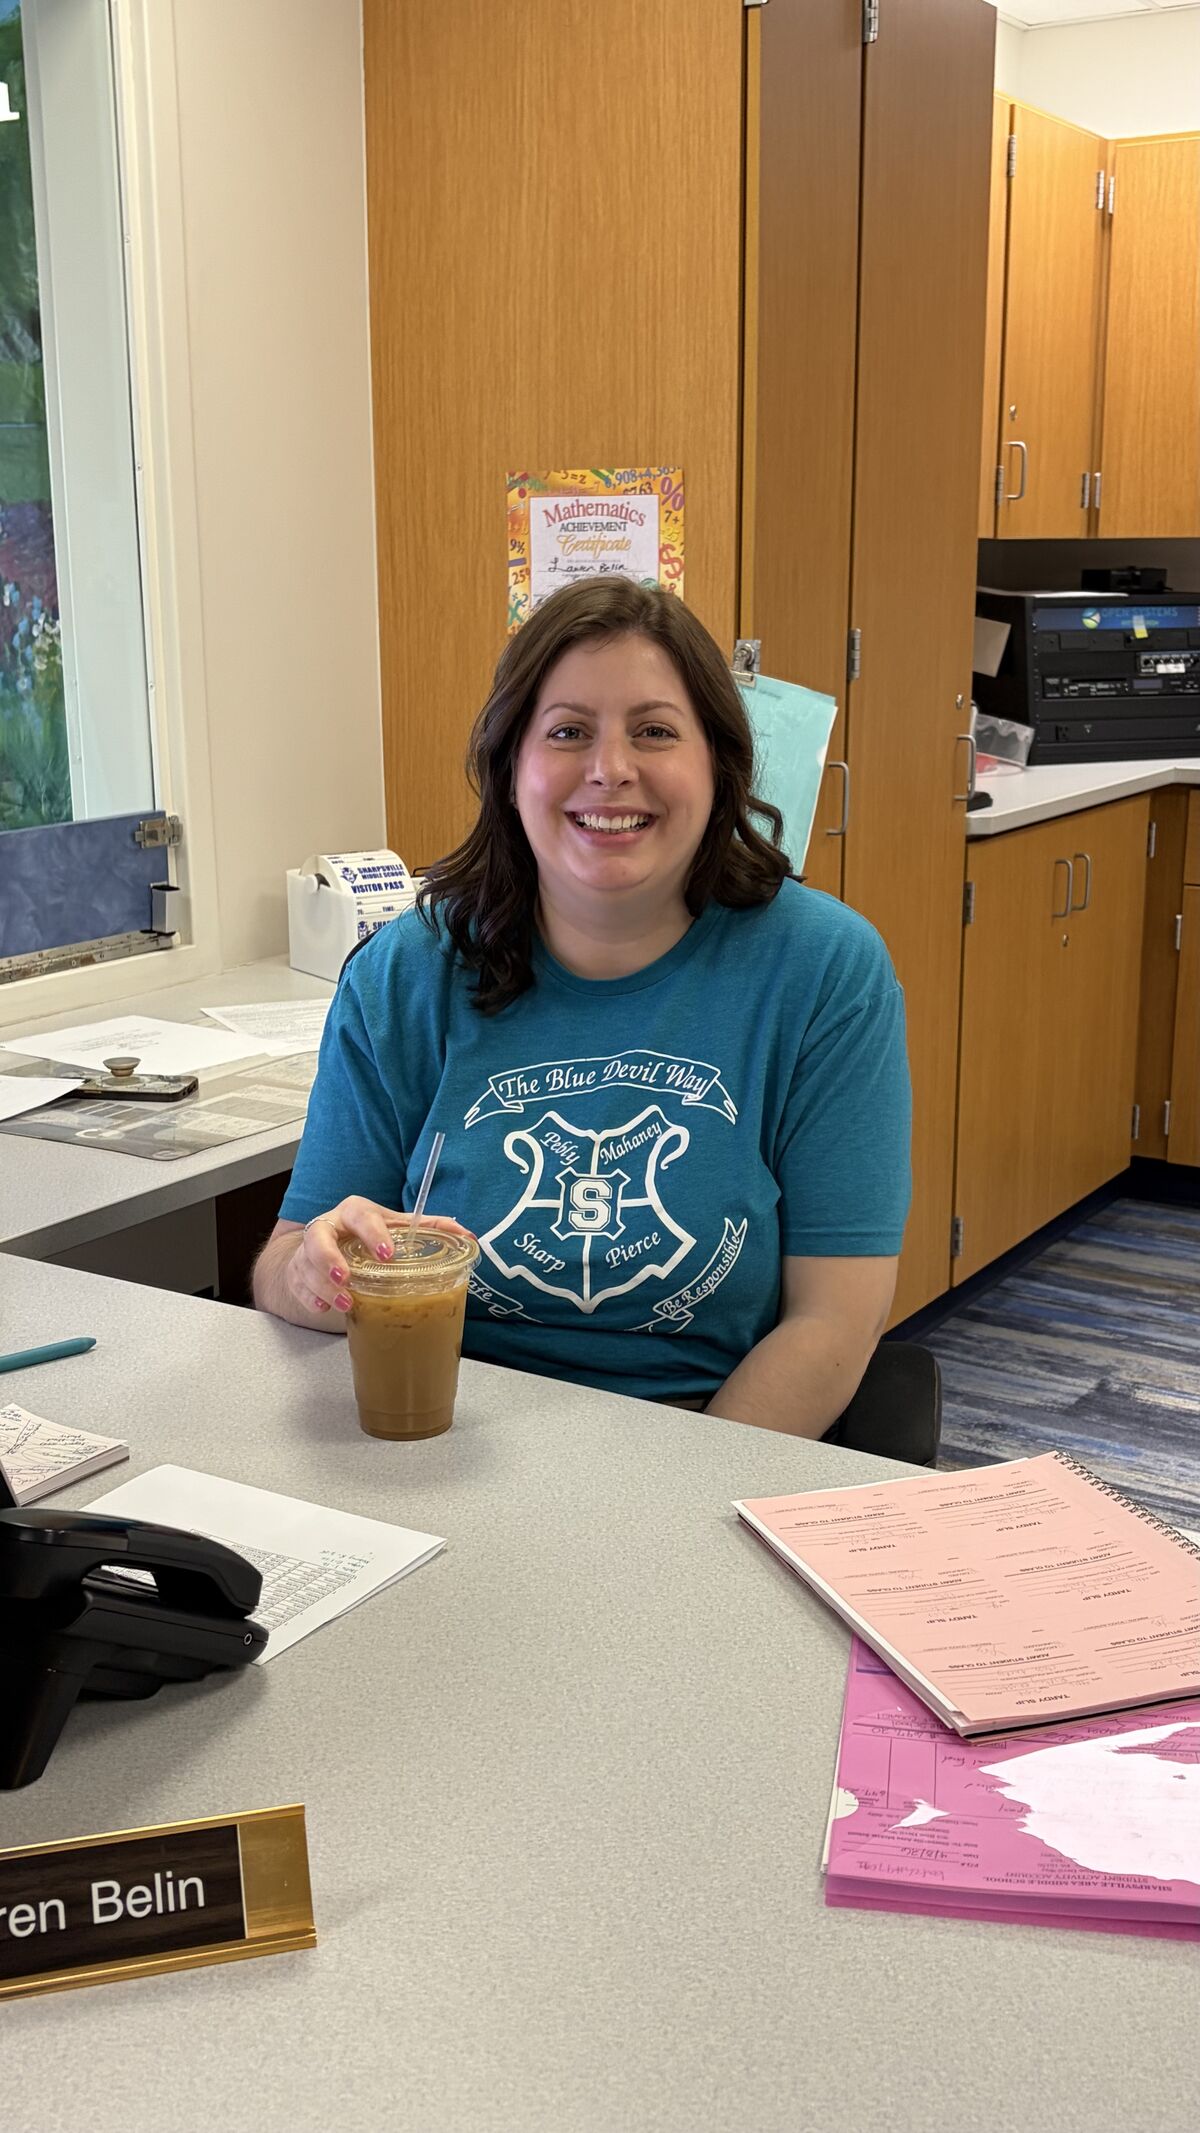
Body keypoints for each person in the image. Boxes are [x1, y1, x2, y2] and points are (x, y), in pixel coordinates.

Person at [253, 577, 911, 1439]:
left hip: (701, 1438)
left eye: (654, 731)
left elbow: (835, 1317)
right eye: (567, 731)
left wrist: (683, 1514)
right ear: (510, 766)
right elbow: (280, 1264)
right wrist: (314, 1274)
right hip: (438, 1430)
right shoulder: (402, 972)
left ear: (717, 763)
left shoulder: (824, 969)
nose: (610, 769)